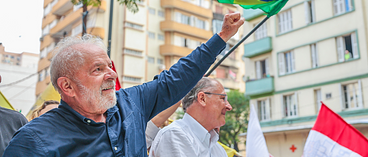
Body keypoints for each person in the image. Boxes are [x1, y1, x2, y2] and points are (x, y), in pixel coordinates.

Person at [3, 12, 244, 156]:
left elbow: (175, 79)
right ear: (67, 86)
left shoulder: (131, 104)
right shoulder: (33, 141)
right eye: (98, 69)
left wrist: (222, 37)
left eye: (109, 66)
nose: (110, 74)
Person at [149, 77, 232, 157]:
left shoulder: (217, 149)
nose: (229, 107)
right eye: (223, 98)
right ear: (202, 98)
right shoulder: (174, 134)